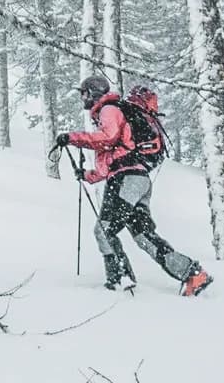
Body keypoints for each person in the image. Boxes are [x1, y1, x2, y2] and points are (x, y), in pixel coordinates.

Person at [54, 73, 211, 297]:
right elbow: (108, 164)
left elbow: (107, 138)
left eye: (84, 93)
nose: (82, 99)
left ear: (93, 92)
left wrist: (72, 138)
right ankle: (193, 274)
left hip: (126, 180)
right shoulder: (111, 114)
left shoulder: (109, 110)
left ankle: (119, 280)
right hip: (138, 179)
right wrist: (87, 175)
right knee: (143, 236)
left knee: (104, 230)